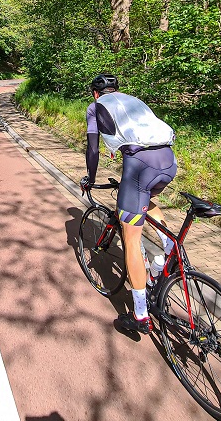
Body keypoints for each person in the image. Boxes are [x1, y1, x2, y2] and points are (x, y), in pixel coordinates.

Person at [80, 74, 177, 335]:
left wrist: (90, 177)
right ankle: (168, 251)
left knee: (131, 237)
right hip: (168, 161)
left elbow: (93, 149)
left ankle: (140, 315)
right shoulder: (135, 101)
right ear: (117, 90)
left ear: (95, 93)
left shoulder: (95, 107)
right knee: (147, 201)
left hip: (139, 166)